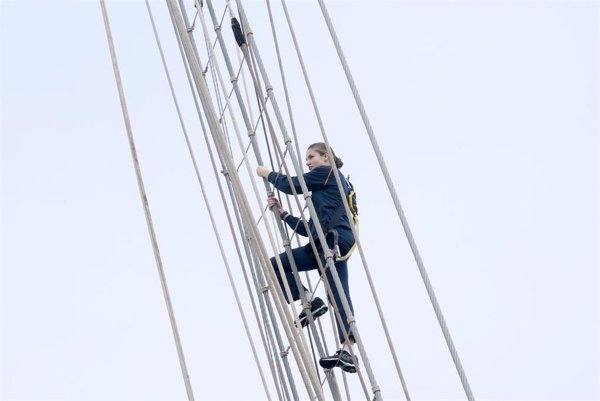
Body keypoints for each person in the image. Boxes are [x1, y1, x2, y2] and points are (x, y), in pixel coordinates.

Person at [256, 142, 357, 373]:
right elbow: (310, 230)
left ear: (326, 158)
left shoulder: (328, 173)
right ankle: (310, 302)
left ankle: (349, 350)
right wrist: (284, 214)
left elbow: (292, 185)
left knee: (338, 292)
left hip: (335, 241)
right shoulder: (324, 194)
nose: (308, 162)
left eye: (312, 157)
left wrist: (267, 173)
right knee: (276, 265)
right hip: (322, 241)